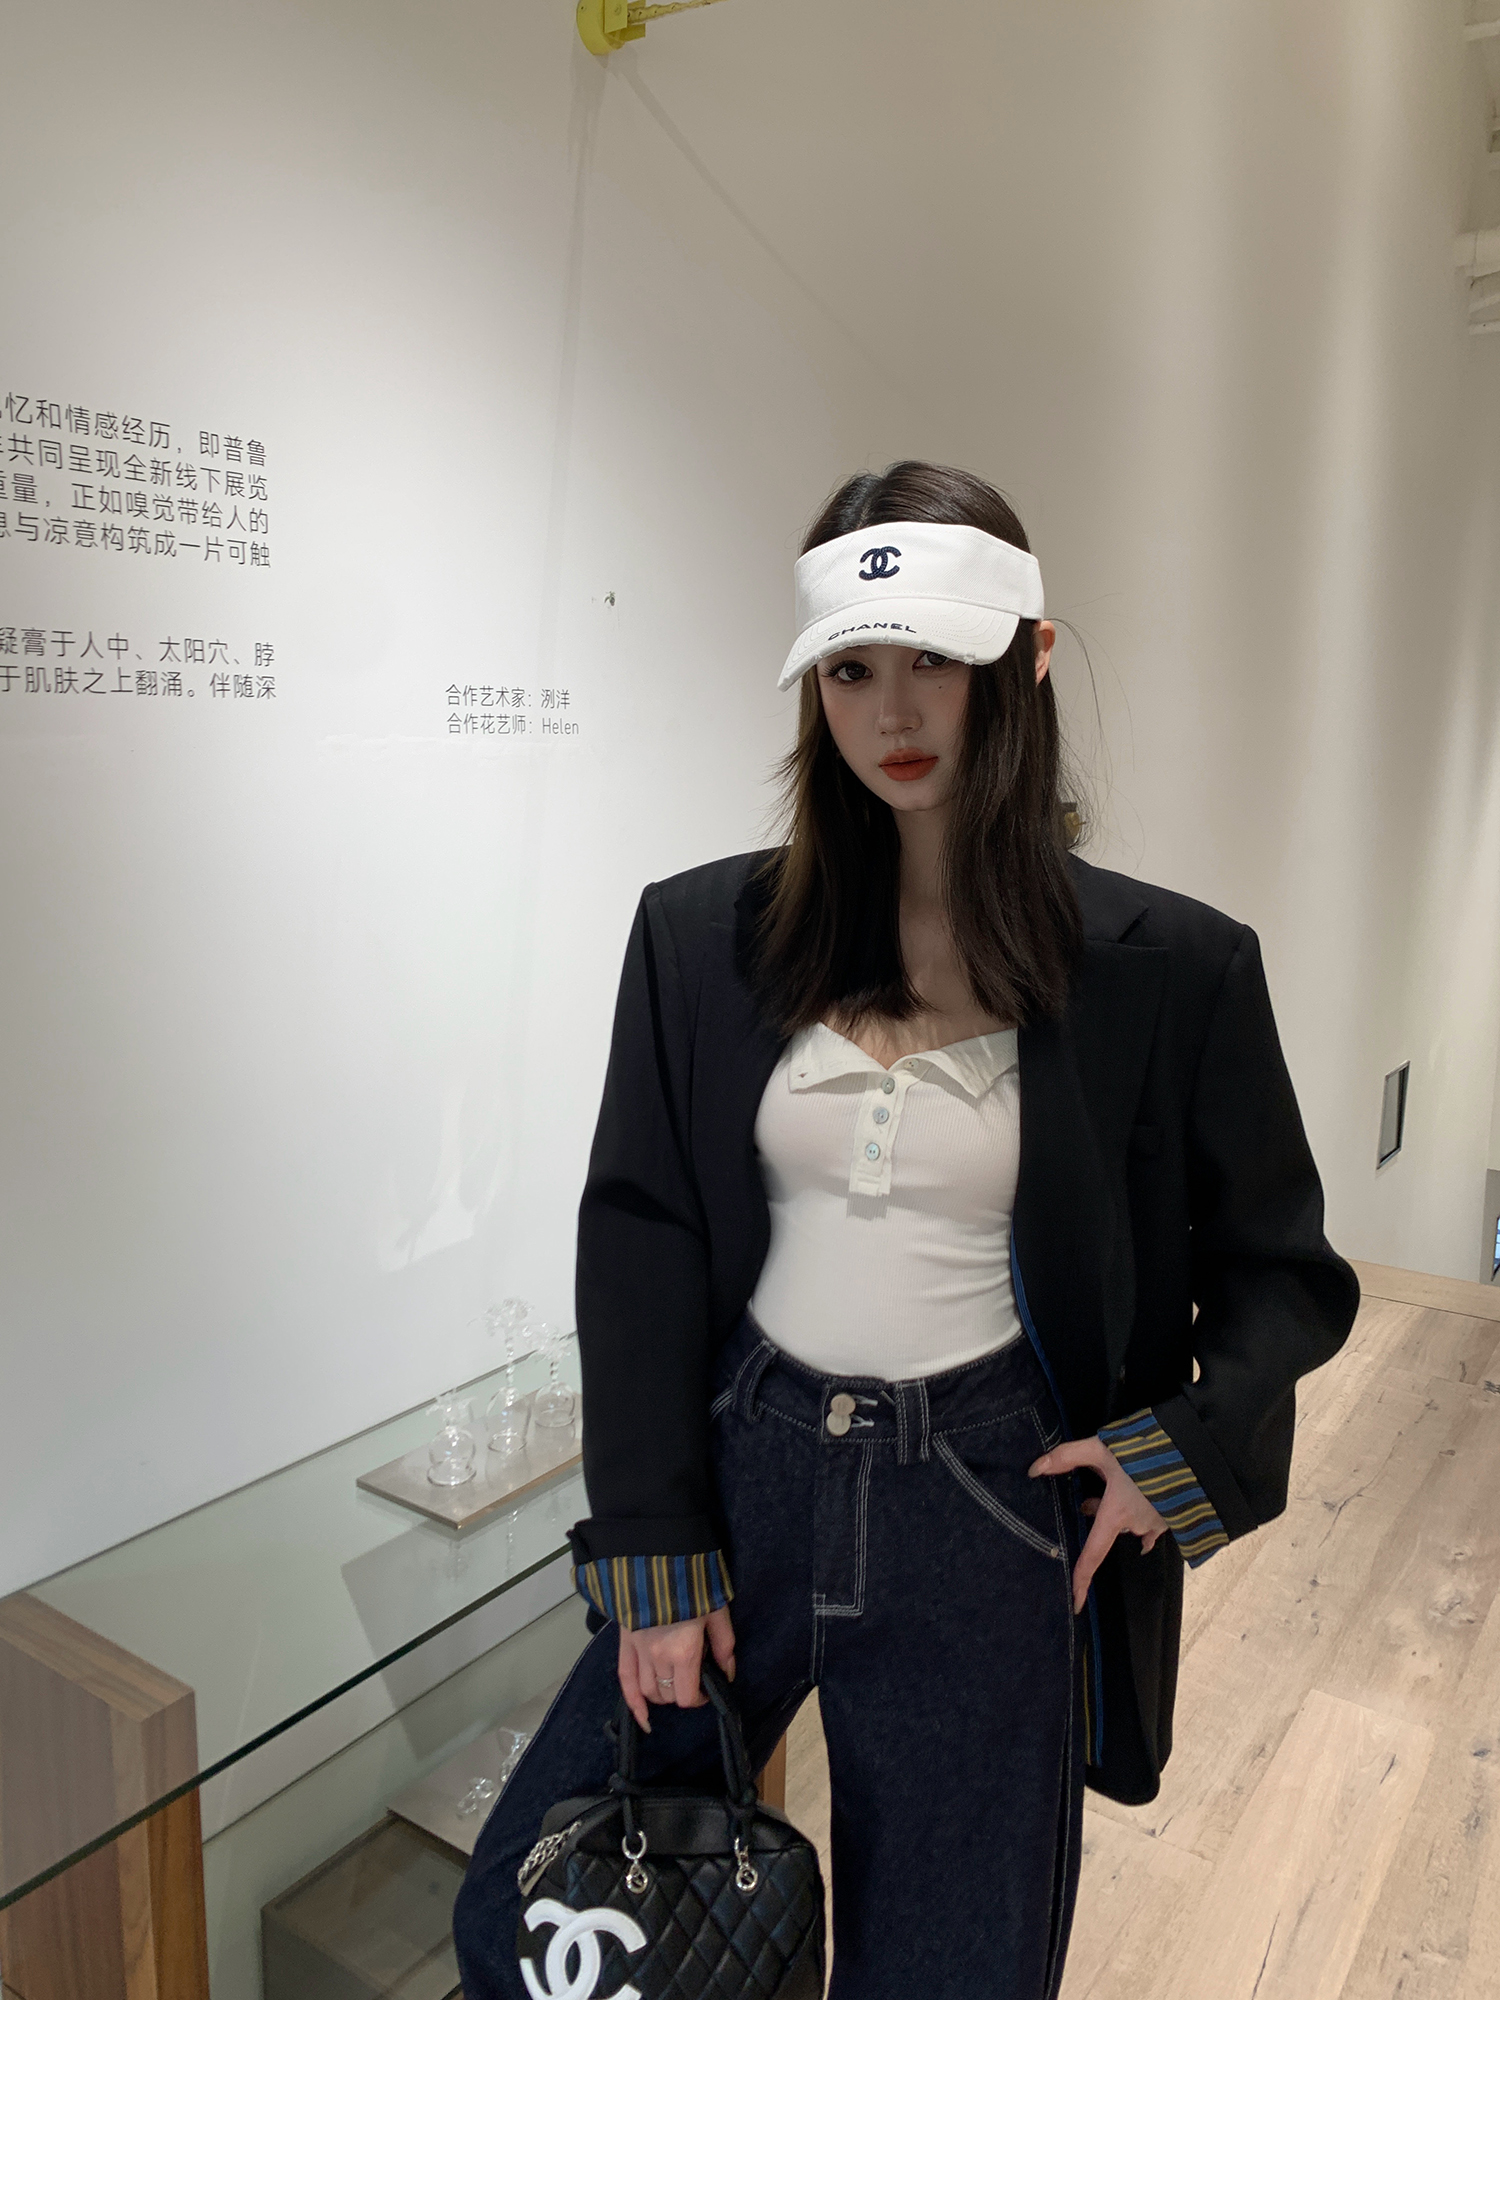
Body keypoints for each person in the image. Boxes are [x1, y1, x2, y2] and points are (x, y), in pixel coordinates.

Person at [453, 459, 1360, 1999]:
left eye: (936, 657)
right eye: (851, 669)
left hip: (992, 1501)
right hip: (746, 1474)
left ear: (1031, 656)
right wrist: (654, 1552)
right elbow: (641, 1238)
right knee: (548, 1929)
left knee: (951, 1972)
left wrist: (1181, 1459)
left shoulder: (1170, 969)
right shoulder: (701, 938)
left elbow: (1284, 1271)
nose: (894, 711)